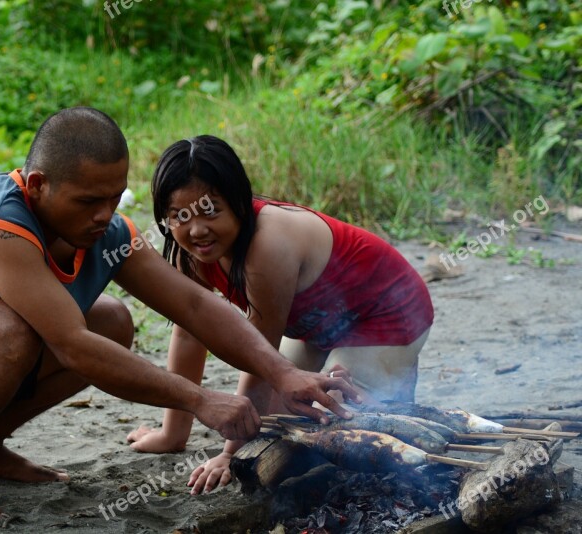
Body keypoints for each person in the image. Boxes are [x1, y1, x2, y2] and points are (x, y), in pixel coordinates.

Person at [0, 109, 360, 522]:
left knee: (111, 320)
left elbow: (195, 305)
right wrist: (199, 400)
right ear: (38, 186)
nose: (103, 215)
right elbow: (70, 345)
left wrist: (282, 372)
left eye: (113, 196)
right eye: (87, 201)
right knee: (18, 329)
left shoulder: (107, 234)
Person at [127, 135, 433, 495]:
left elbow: (261, 356)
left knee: (340, 423)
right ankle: (373, 376)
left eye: (211, 211)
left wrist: (230, 454)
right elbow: (190, 334)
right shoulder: (191, 251)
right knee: (277, 419)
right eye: (179, 216)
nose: (196, 230)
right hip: (316, 326)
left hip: (386, 316)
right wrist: (172, 434)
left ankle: (394, 376)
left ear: (239, 203)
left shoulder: (267, 246)